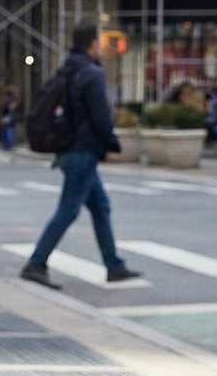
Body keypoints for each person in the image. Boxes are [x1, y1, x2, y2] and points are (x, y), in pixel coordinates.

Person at [20, 22, 142, 290]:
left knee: (100, 207)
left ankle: (114, 265)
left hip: (68, 149)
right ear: (93, 44)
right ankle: (36, 263)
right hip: (82, 151)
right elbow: (99, 115)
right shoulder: (90, 73)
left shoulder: (67, 69)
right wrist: (112, 143)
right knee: (68, 210)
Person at [0, 85, 20, 151]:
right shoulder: (9, 100)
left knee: (8, 131)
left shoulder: (7, 100)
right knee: (8, 131)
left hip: (8, 117)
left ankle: (7, 144)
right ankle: (8, 144)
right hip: (8, 117)